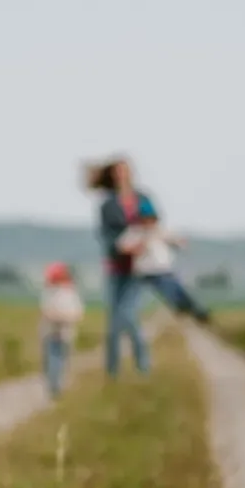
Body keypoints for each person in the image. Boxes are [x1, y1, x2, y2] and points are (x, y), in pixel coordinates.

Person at [85, 157, 151, 375]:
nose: (121, 175)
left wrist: (144, 242)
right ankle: (112, 372)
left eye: (124, 171)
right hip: (115, 267)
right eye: (117, 172)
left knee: (129, 316)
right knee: (113, 325)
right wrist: (120, 247)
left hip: (138, 267)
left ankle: (143, 367)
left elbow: (154, 222)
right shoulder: (107, 204)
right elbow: (104, 235)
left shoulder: (142, 198)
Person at [119, 195, 211, 322]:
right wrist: (142, 242)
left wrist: (178, 242)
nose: (148, 222)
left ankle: (195, 310)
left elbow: (179, 242)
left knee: (178, 288)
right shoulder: (135, 232)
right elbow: (123, 248)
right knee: (166, 288)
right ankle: (180, 306)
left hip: (164, 270)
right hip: (145, 272)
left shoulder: (161, 231)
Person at [40, 262, 84, 398]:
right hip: (51, 332)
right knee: (52, 360)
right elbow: (45, 311)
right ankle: (54, 385)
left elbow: (77, 314)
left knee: (59, 360)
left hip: (64, 333)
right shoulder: (49, 293)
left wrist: (62, 318)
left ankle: (57, 386)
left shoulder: (70, 294)